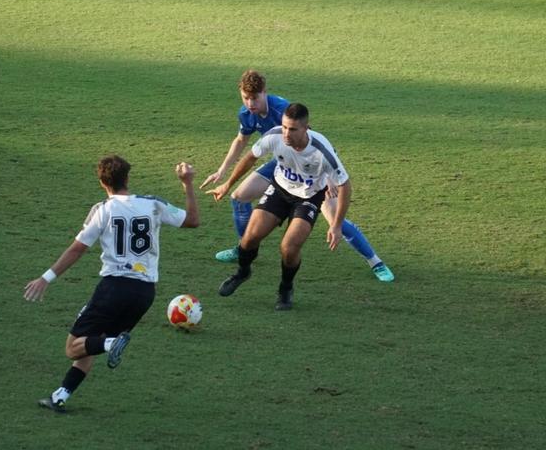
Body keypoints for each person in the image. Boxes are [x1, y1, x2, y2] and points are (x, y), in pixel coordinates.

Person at [24, 155, 200, 413]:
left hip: (114, 289)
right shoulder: (153, 204)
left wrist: (45, 278)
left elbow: (76, 250)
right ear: (127, 178)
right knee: (89, 345)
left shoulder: (103, 211)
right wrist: (187, 184)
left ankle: (109, 344)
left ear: (101, 182)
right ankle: (60, 396)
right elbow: (193, 220)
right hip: (144, 293)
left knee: (73, 347)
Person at [200, 69, 394, 282]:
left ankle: (375, 261)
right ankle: (244, 247)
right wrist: (222, 172)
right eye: (245, 98)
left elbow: (318, 145)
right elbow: (241, 142)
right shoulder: (246, 114)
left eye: (254, 98)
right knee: (239, 197)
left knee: (333, 219)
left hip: (312, 170)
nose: (250, 103)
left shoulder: (283, 110)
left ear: (264, 92)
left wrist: (329, 180)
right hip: (283, 166)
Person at [208, 103, 349, 310]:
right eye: (284, 127)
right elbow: (250, 158)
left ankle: (285, 288)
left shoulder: (321, 151)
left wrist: (336, 225)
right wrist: (227, 184)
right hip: (280, 190)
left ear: (306, 128)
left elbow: (345, 186)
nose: (286, 133)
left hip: (308, 198)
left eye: (292, 129)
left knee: (289, 248)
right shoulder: (274, 136)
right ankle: (242, 272)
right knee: (249, 238)